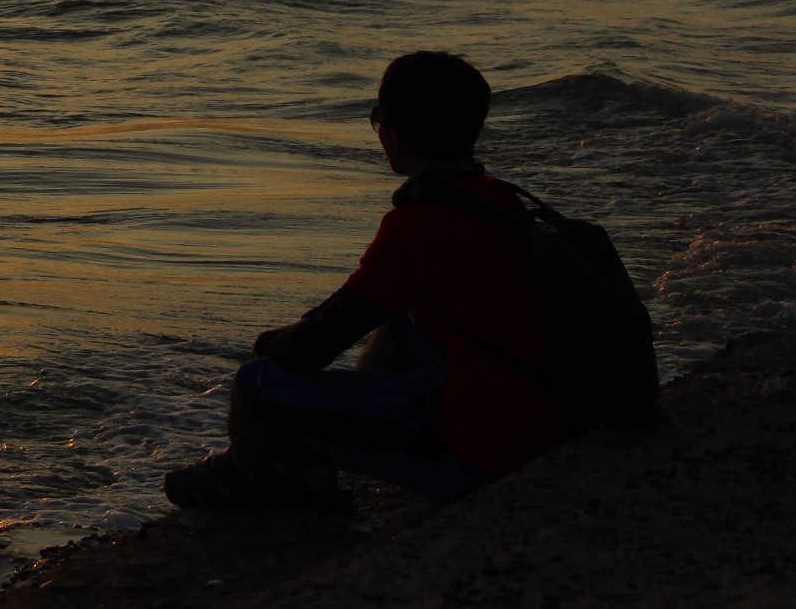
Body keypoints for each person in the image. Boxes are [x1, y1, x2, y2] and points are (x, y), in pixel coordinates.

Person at [166, 51, 561, 509]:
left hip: (480, 453)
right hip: (536, 420)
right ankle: (300, 463)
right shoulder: (498, 199)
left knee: (258, 383)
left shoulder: (422, 223)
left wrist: (270, 343)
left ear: (395, 133)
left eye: (378, 120)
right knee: (397, 327)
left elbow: (318, 343)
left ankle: (262, 480)